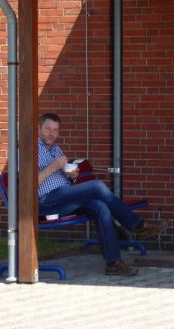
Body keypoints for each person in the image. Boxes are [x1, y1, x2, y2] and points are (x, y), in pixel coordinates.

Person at [37, 113, 166, 276]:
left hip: (65, 197)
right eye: (48, 129)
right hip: (47, 201)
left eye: (55, 130)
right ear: (38, 128)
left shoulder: (55, 148)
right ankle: (136, 225)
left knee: (100, 207)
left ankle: (113, 263)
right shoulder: (30, 149)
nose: (51, 134)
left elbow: (68, 177)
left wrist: (72, 174)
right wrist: (54, 166)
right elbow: (28, 183)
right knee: (97, 186)